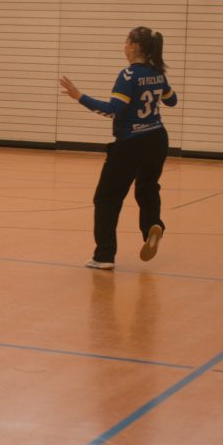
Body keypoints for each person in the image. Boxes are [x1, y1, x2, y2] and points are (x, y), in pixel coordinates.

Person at [59, 25, 178, 269]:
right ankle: (153, 225)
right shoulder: (158, 72)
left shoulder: (128, 75)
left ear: (134, 46)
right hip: (157, 139)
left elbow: (114, 110)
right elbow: (172, 100)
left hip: (131, 143)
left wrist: (80, 96)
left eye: (126, 42)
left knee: (107, 198)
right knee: (147, 188)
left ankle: (104, 255)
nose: (124, 47)